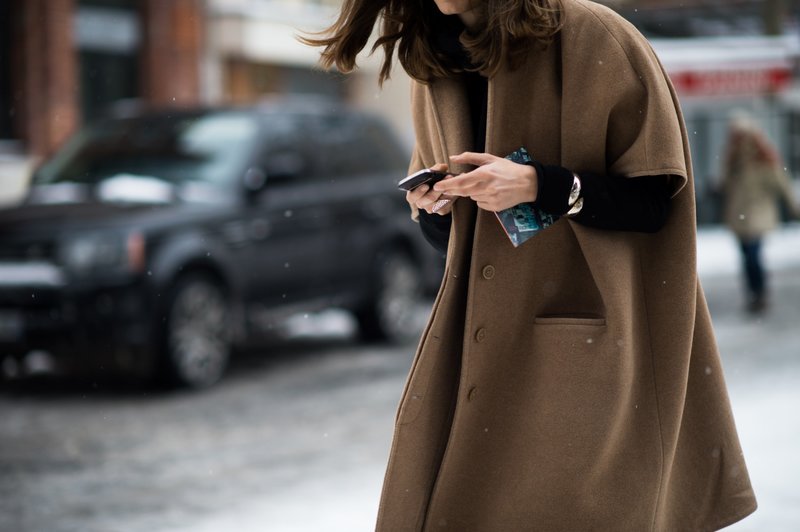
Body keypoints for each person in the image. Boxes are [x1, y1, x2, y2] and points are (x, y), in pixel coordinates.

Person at [304, 1, 756, 529]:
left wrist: (543, 186)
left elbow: (657, 203)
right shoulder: (432, 60)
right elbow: (457, 242)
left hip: (590, 352)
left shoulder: (596, 36)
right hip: (481, 353)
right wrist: (435, 208)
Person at [721, 111, 799, 313]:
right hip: (739, 216)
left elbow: (782, 185)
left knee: (753, 256)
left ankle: (759, 293)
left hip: (758, 214)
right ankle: (755, 293)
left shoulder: (765, 159)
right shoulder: (732, 161)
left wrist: (793, 207)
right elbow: (724, 184)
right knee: (746, 257)